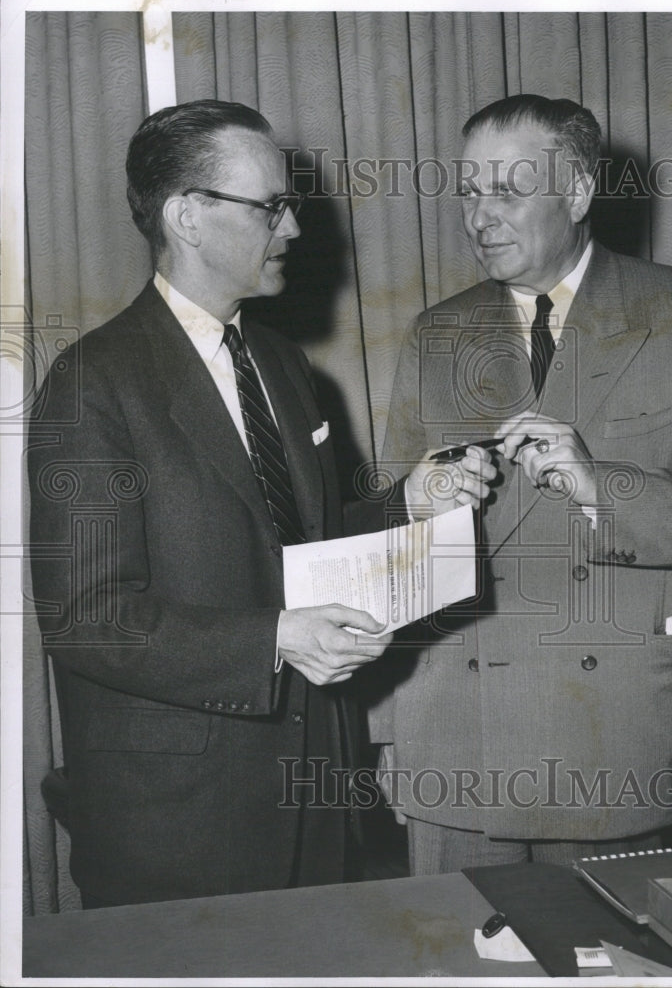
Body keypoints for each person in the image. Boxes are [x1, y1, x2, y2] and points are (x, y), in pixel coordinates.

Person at [27, 100, 495, 907]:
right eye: (270, 207)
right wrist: (277, 639)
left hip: (312, 793)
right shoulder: (92, 382)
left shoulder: (279, 364)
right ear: (188, 217)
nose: (293, 230)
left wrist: (409, 505)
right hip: (180, 824)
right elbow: (86, 616)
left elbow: (297, 548)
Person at [368, 94, 672, 874]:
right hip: (458, 733)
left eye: (506, 191)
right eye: (467, 191)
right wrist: (392, 734)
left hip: (609, 729)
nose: (478, 216)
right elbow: (398, 548)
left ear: (578, 193)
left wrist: (602, 488)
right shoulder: (436, 332)